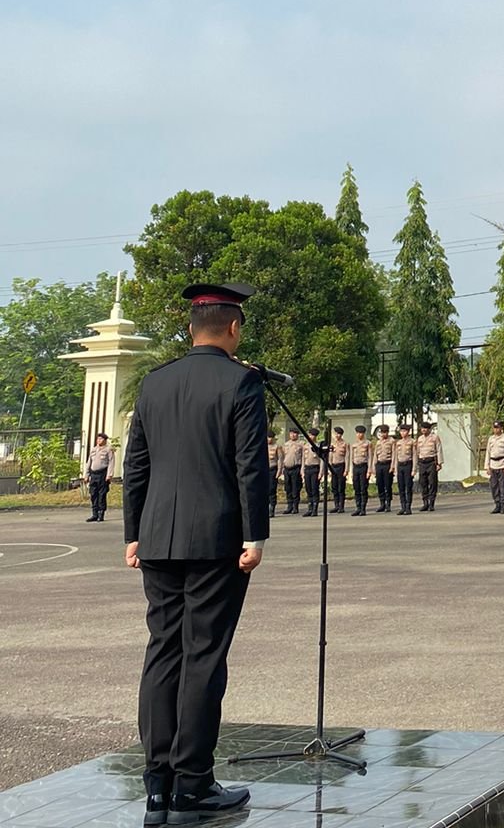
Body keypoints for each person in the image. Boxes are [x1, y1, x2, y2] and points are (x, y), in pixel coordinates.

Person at [123, 280, 267, 828]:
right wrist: (256, 535)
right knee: (203, 655)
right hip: (216, 541)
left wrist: (133, 532)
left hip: (157, 538)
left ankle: (156, 785)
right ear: (234, 328)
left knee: (163, 652)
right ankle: (193, 784)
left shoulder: (155, 384)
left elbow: (136, 464)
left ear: (190, 330)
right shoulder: (241, 383)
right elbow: (249, 465)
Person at [83, 431, 115, 523]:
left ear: (105, 440)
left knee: (102, 494)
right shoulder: (94, 449)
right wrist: (86, 475)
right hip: (94, 474)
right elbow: (89, 463)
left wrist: (109, 475)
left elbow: (111, 462)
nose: (98, 440)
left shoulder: (108, 450)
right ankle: (94, 514)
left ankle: (101, 514)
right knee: (93, 494)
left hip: (103, 474)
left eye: (101, 439)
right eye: (98, 439)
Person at [486, 419, 504, 513]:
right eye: (494, 427)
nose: (496, 429)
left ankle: (503, 506)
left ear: (502, 428)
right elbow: (488, 453)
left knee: (503, 486)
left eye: (498, 427)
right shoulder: (491, 439)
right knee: (494, 486)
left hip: (503, 464)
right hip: (493, 465)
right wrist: (487, 466)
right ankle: (497, 504)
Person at [416, 421, 443, 511]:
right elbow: (417, 451)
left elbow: (439, 450)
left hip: (431, 462)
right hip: (422, 462)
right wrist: (417, 463)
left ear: (429, 429)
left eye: (425, 428)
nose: (423, 430)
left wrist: (439, 463)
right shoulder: (419, 439)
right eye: (422, 428)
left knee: (432, 483)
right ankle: (425, 503)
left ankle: (431, 503)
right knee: (423, 483)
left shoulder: (435, 438)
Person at [280, 427, 304, 516]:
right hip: (287, 469)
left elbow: (303, 458)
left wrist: (302, 469)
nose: (293, 435)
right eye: (291, 433)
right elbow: (282, 457)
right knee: (288, 487)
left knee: (295, 488)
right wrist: (282, 468)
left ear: (297, 435)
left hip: (296, 468)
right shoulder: (286, 444)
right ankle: (289, 506)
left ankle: (295, 506)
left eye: (295, 433)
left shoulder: (301, 444)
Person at [348, 425, 372, 516]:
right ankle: (357, 507)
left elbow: (370, 457)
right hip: (355, 467)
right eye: (357, 433)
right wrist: (351, 470)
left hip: (363, 467)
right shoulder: (354, 444)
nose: (359, 435)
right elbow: (351, 458)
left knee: (363, 488)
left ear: (364, 433)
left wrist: (369, 470)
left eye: (361, 433)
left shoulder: (367, 443)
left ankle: (363, 508)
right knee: (356, 488)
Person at [373, 424, 396, 513]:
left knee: (387, 485)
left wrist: (392, 466)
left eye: (385, 432)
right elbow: (375, 454)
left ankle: (388, 504)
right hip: (379, 464)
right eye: (382, 432)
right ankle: (382, 503)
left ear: (388, 432)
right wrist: (374, 466)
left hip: (387, 464)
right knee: (380, 484)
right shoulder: (379, 442)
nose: (383, 434)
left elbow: (394, 454)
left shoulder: (391, 441)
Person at [394, 423, 416, 515]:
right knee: (401, 487)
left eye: (404, 431)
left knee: (408, 486)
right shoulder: (398, 443)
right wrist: (395, 468)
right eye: (401, 431)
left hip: (408, 465)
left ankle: (408, 507)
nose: (403, 433)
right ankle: (402, 506)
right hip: (400, 465)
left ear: (408, 432)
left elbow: (414, 455)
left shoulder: (412, 442)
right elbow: (396, 456)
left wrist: (414, 469)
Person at [328, 426, 348, 514]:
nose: (337, 435)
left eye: (339, 434)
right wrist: (329, 468)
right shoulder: (332, 444)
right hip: (333, 466)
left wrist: (346, 469)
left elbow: (347, 457)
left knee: (341, 487)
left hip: (341, 466)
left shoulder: (345, 444)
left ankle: (341, 506)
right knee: (334, 486)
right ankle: (336, 505)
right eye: (336, 434)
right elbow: (330, 457)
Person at [300, 435, 322, 517]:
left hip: (315, 468)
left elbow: (322, 459)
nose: (311, 436)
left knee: (314, 488)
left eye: (313, 435)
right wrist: (302, 470)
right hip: (307, 469)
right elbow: (303, 459)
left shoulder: (318, 446)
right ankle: (310, 508)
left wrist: (321, 472)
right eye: (310, 434)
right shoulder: (305, 446)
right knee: (308, 488)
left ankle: (315, 509)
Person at [265, 430, 281, 519]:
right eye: (267, 437)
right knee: (265, 490)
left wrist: (279, 470)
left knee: (272, 489)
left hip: (272, 469)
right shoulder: (262, 446)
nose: (269, 439)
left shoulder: (277, 447)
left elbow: (280, 459)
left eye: (270, 437)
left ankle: (272, 509)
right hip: (264, 470)